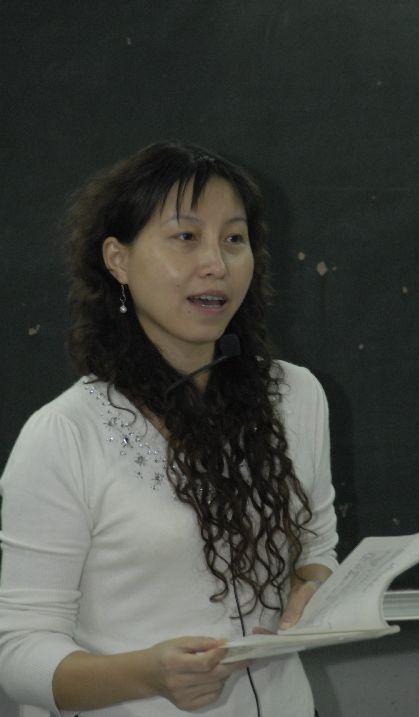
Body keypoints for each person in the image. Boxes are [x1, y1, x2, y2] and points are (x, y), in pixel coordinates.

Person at [0, 141, 338, 717]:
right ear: (118, 259)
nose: (216, 263)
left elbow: (317, 544)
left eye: (234, 239)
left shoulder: (295, 396)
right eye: (185, 236)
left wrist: (314, 585)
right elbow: (18, 653)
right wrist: (148, 675)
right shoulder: (65, 434)